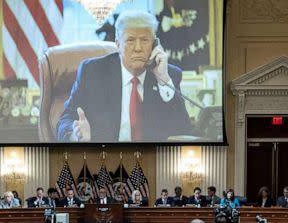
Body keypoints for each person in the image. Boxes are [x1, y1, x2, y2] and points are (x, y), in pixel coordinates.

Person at [56, 10, 191, 142]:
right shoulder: (92, 72)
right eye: (130, 40)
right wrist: (75, 135)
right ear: (118, 44)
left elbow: (184, 131)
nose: (138, 48)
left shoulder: (168, 75)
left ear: (154, 44)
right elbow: (65, 119)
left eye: (144, 40)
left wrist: (163, 81)